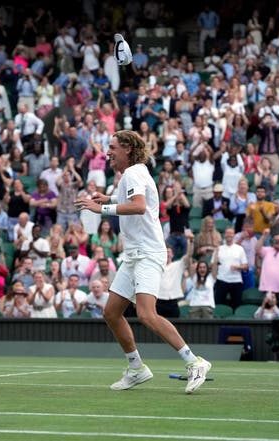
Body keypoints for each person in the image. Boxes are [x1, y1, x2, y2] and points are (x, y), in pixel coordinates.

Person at [75, 129, 211, 393]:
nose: (108, 153)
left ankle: (195, 362)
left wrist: (102, 208)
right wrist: (110, 198)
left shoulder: (134, 173)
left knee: (146, 314)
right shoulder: (136, 172)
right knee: (112, 312)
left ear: (127, 148)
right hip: (133, 255)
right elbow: (140, 201)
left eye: (113, 147)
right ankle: (136, 368)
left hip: (148, 253)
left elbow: (138, 206)